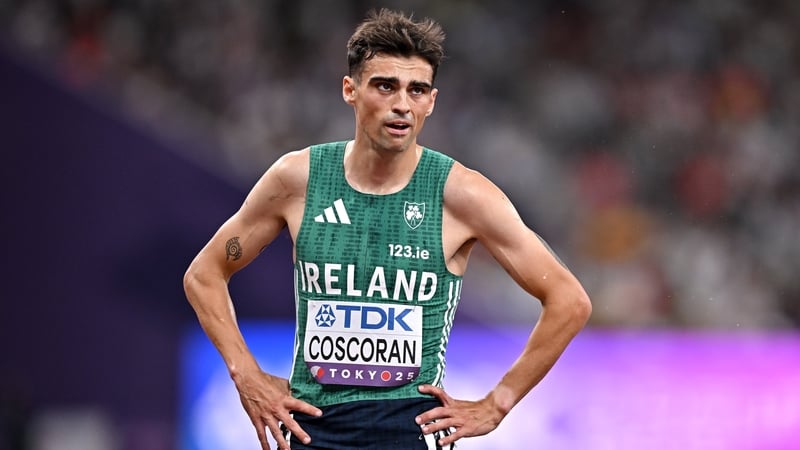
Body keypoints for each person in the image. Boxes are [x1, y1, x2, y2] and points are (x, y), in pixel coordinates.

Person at [183, 8, 591, 450]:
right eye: (385, 85)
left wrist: (497, 403)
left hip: (409, 431)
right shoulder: (298, 180)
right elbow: (204, 275)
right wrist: (246, 374)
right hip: (310, 427)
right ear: (350, 90)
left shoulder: (462, 195)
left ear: (431, 101)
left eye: (416, 90)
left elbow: (569, 301)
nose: (402, 104)